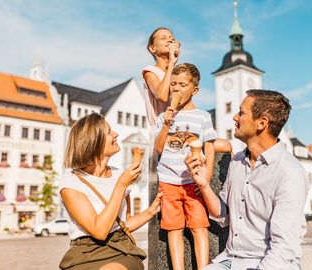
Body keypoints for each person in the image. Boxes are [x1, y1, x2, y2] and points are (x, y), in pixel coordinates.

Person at [185, 89, 310, 270]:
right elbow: (223, 215)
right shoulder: (237, 161)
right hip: (231, 260)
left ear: (261, 123)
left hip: (272, 263)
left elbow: (284, 249)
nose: (235, 117)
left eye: (242, 112)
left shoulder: (290, 172)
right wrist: (203, 184)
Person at [59, 113, 162, 270]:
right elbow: (99, 231)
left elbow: (123, 225)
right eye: (109, 132)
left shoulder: (120, 175)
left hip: (121, 251)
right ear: (94, 141)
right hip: (85, 253)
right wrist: (121, 185)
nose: (116, 134)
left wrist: (151, 210)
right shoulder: (71, 182)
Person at [154, 63, 216, 270]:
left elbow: (210, 148)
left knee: (199, 227)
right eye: (173, 84)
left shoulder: (203, 116)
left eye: (182, 84)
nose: (177, 89)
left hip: (193, 180)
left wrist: (206, 179)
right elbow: (158, 147)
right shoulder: (164, 117)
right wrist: (166, 123)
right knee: (174, 229)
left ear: (195, 90)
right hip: (168, 181)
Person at [142, 27, 232, 155]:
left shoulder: (175, 74)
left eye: (172, 38)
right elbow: (162, 96)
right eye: (163, 38)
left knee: (226, 145)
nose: (169, 40)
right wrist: (172, 62)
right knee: (221, 145)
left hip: (181, 126)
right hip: (162, 130)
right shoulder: (150, 71)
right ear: (152, 48)